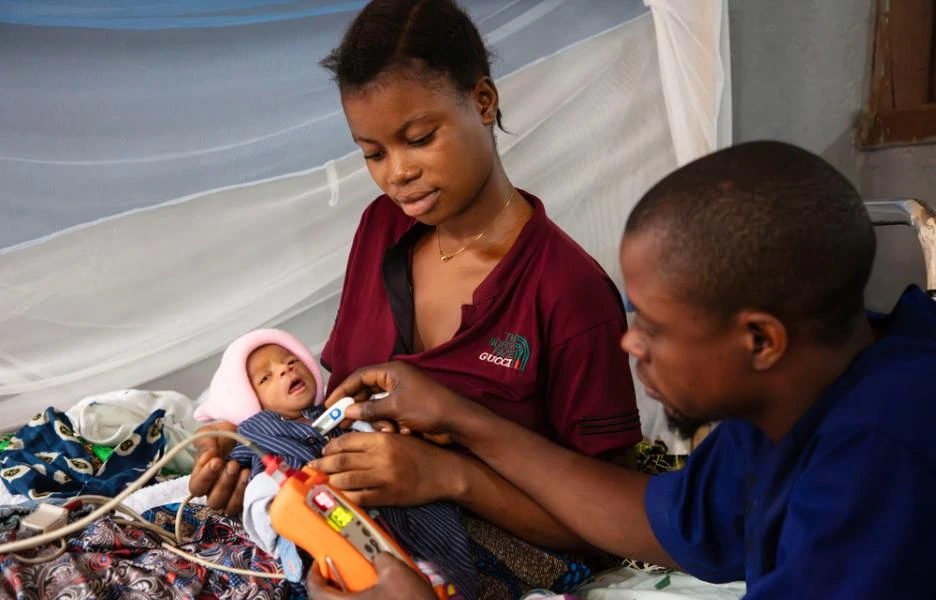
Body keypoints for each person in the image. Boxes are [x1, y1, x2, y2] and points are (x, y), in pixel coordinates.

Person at [308, 141, 936, 599]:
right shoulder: (792, 394)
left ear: (759, 339)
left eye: (655, 329)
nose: (629, 343)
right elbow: (663, 520)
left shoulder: (879, 454)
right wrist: (461, 423)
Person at [190, 0, 641, 592]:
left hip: (476, 548)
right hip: (345, 516)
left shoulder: (568, 292)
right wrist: (250, 468)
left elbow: (611, 524)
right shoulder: (382, 229)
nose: (395, 173)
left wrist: (448, 475)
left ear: (483, 102)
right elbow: (335, 413)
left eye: (419, 138)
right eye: (372, 153)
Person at [193, 328, 474, 598]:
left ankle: (441, 580)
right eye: (265, 378)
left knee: (432, 543)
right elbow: (251, 487)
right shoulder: (256, 433)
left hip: (383, 499)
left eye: (292, 362)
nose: (285, 370)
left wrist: (382, 429)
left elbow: (378, 427)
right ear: (247, 402)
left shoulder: (338, 407)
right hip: (316, 512)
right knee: (343, 562)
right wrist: (274, 507)